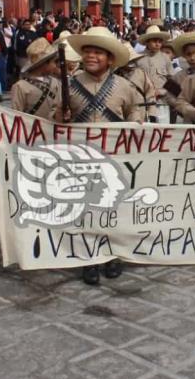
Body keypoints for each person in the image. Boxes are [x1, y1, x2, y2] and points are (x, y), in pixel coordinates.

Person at [61, 26, 142, 286]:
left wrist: (136, 124)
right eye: (87, 52)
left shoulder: (123, 86)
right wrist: (59, 116)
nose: (91, 57)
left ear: (109, 58)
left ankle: (112, 255)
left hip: (114, 158)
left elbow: (135, 111)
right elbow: (52, 120)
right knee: (85, 209)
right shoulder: (70, 85)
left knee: (112, 208)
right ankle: (89, 258)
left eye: (97, 52)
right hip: (81, 159)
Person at [10, 41, 61, 119]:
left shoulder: (55, 82)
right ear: (44, 64)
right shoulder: (20, 87)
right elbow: (16, 114)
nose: (55, 65)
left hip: (52, 129)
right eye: (53, 62)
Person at [136, 25, 173, 121]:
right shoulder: (138, 59)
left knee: (162, 131)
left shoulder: (165, 58)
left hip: (162, 103)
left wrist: (163, 91)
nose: (157, 44)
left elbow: (173, 81)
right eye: (154, 41)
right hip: (143, 103)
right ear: (147, 42)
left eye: (160, 42)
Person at [117, 44, 158, 122]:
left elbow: (150, 93)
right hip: (123, 112)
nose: (131, 62)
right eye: (129, 61)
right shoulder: (115, 75)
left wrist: (152, 113)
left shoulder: (140, 73)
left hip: (141, 111)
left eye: (132, 60)